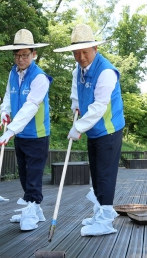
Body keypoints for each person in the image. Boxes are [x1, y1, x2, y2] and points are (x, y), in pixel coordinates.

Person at [53, 24, 125, 236]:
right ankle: (101, 212)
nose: (81, 56)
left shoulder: (106, 72)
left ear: (95, 49)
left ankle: (105, 221)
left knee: (105, 174)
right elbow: (76, 89)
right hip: (94, 130)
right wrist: (75, 104)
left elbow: (99, 106)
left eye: (85, 52)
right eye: (76, 52)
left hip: (108, 129)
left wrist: (78, 126)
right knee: (96, 172)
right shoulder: (79, 69)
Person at [0, 29, 52, 231]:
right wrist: (4, 111)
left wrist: (10, 130)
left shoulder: (40, 78)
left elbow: (31, 106)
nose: (20, 59)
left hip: (37, 134)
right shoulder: (13, 73)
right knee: (24, 173)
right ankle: (33, 208)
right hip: (19, 134)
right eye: (18, 55)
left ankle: (31, 209)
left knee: (34, 173)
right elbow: (8, 96)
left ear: (34, 54)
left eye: (25, 55)